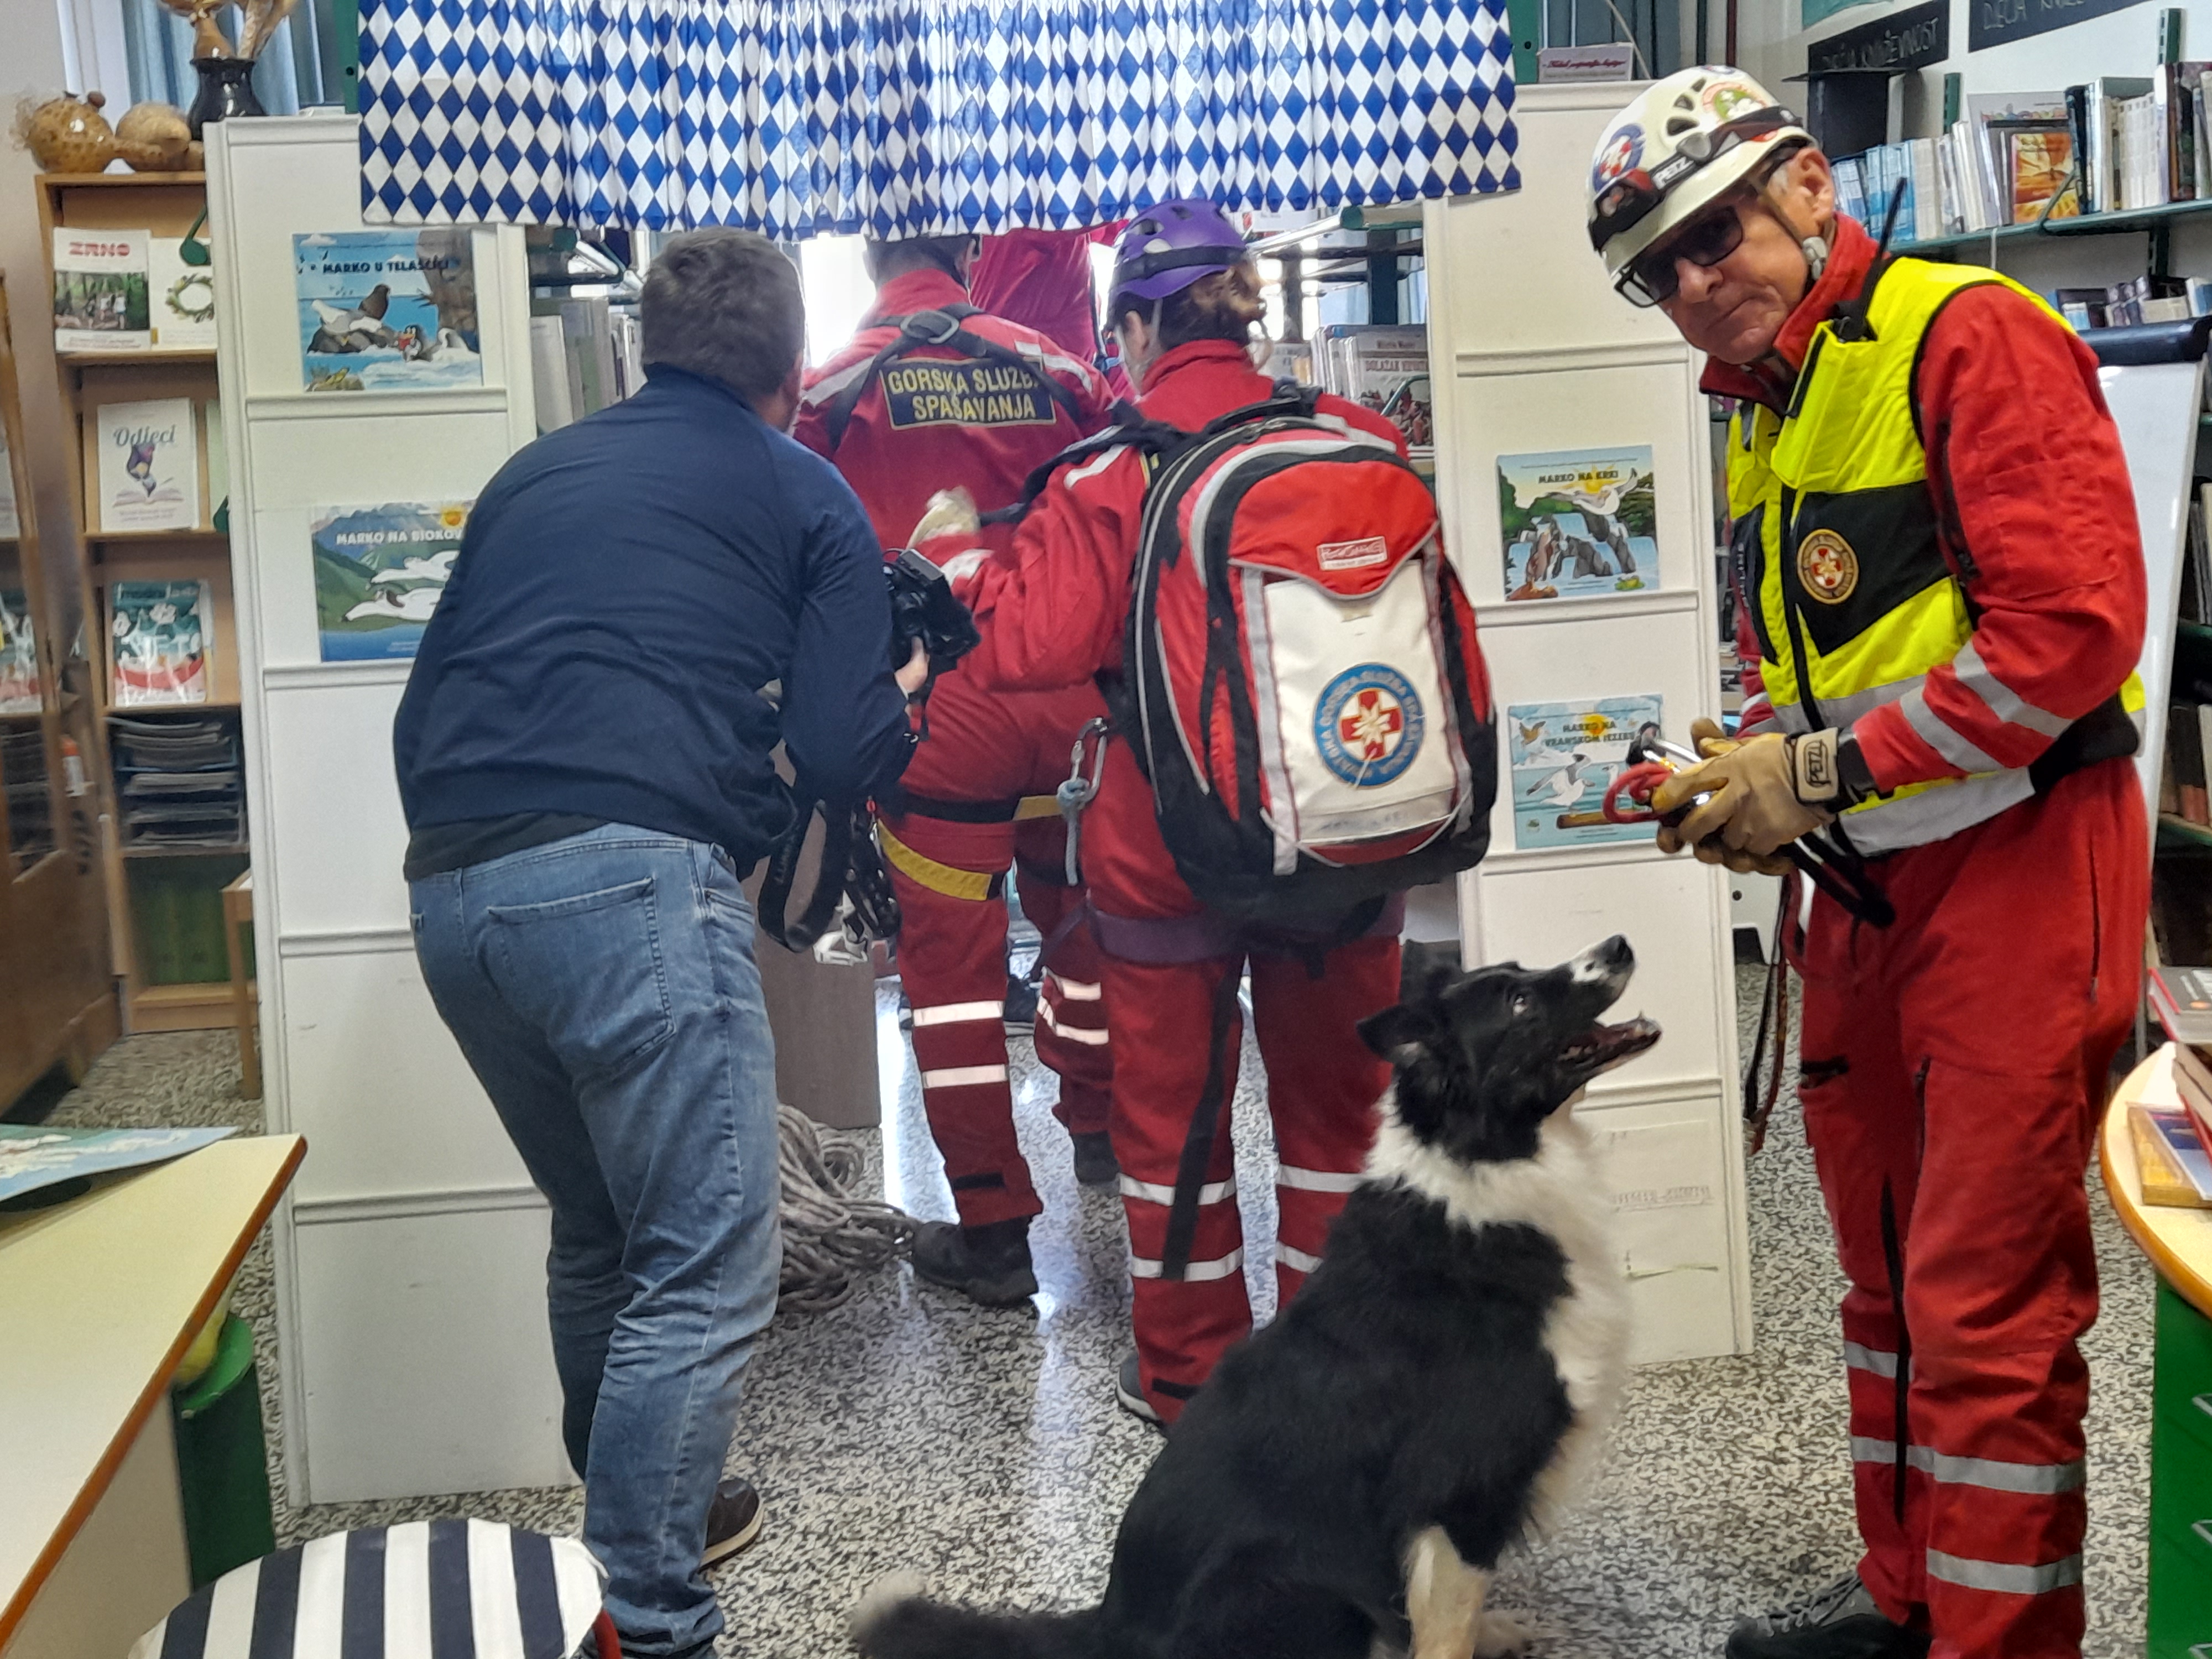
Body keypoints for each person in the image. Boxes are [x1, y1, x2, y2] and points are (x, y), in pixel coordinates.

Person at [1588, 67, 2148, 1659]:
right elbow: (1823, 656)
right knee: (1887, 1286)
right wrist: (1732, 770)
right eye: (1657, 270)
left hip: (2024, 868)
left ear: (1808, 187)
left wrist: (1810, 771)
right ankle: (1908, 1598)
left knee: (1985, 1315)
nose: (1695, 286)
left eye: (1710, 236)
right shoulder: (1770, 399)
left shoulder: (1966, 337)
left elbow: (2073, 636)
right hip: (1870, 894)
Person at [393, 228, 922, 1659]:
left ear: (642, 348)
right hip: (629, 892)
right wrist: (914, 666)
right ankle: (654, 1619)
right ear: (795, 372)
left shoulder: (532, 472)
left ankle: (649, 1528)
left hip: (451, 888)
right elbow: (842, 742)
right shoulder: (806, 492)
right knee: (705, 1267)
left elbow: (441, 693)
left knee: (606, 1235)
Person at [948, 200, 1418, 1425]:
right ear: (1244, 305)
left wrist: (971, 572)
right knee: (1339, 1113)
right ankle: (1345, 1375)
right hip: (1343, 822)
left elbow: (1026, 652)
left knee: (1174, 1122)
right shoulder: (1359, 436)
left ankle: (1192, 1377)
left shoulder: (1110, 469)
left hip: (1163, 847)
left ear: (1136, 326)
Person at [794, 231, 1123, 1307]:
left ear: (870, 255)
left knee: (950, 984)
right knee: (1081, 923)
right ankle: (1097, 1128)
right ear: (973, 251)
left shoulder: (827, 389)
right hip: (1073, 701)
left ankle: (993, 1232)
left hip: (939, 720)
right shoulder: (1059, 367)